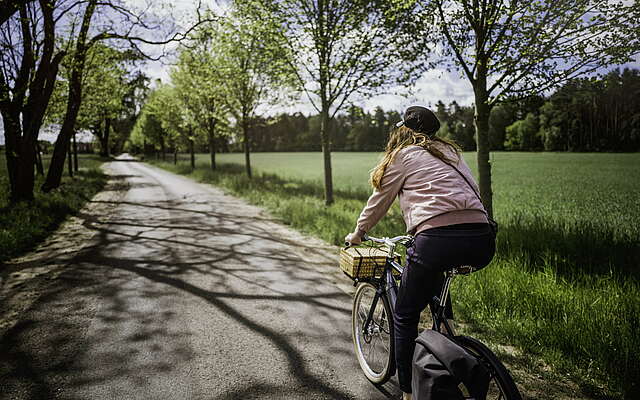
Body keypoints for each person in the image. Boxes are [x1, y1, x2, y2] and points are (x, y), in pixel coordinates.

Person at [344, 106, 495, 400]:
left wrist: (358, 232)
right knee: (435, 289)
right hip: (482, 238)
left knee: (404, 314)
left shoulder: (404, 155)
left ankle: (408, 393)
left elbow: (379, 201)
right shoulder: (451, 154)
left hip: (437, 240)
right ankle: (448, 338)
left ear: (405, 130)